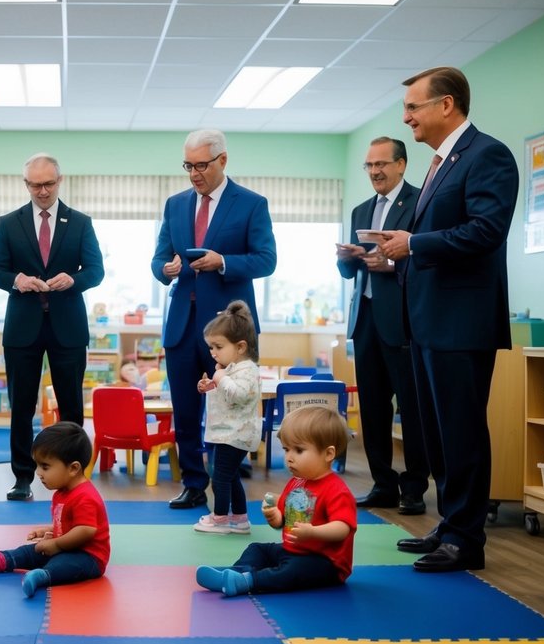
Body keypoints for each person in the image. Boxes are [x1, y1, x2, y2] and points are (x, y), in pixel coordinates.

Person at [378, 66, 519, 573]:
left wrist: (413, 243)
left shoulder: (487, 155)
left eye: (413, 107)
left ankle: (466, 539)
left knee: (460, 431)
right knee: (436, 433)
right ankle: (449, 524)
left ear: (447, 105)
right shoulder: (440, 162)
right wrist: (402, 252)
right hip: (427, 320)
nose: (406, 116)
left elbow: (485, 230)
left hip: (461, 322)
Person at [152, 129, 277, 509]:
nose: (193, 173)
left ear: (223, 160)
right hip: (182, 323)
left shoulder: (252, 204)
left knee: (231, 407)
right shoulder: (175, 205)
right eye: (188, 165)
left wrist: (222, 261)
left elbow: (266, 259)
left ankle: (226, 483)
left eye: (201, 165)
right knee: (186, 412)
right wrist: (167, 268)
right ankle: (193, 483)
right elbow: (158, 259)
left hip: (228, 329)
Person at [0, 153, 104, 501]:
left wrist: (75, 279)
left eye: (48, 184)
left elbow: (95, 271)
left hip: (68, 327)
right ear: (26, 185)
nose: (42, 191)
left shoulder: (80, 222)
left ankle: (74, 477)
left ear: (60, 181)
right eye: (35, 185)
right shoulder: (9, 223)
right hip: (22, 328)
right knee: (21, 406)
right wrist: (17, 279)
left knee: (70, 407)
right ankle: (22, 477)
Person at [336, 137, 430, 516]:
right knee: (372, 408)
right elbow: (349, 273)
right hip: (367, 320)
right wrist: (349, 259)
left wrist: (391, 266)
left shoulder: (420, 204)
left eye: (382, 165)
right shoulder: (360, 211)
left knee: (411, 409)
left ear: (402, 165)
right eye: (369, 166)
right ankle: (382, 483)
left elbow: (426, 260)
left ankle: (414, 488)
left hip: (405, 321)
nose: (375, 172)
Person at [195, 405, 357, 596]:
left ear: (328, 454)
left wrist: (313, 532)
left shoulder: (336, 490)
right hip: (293, 550)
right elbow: (283, 521)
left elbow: (343, 528)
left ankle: (247, 581)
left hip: (324, 562)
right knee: (257, 549)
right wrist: (276, 518)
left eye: (298, 450)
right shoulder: (297, 483)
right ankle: (235, 573)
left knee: (291, 571)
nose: (289, 458)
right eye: (287, 450)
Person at [0, 422, 110, 598]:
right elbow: (69, 523)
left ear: (73, 468)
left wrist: (56, 544)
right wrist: (49, 530)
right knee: (33, 550)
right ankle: (5, 559)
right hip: (66, 546)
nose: (38, 473)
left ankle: (42, 576)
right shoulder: (62, 492)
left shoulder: (85, 496)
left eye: (45, 467)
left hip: (88, 557)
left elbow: (86, 530)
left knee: (64, 563)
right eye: (37, 466)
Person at [193, 301, 261, 535]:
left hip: (235, 434)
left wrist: (220, 377)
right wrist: (210, 385)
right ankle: (240, 519)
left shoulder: (248, 370)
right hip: (228, 432)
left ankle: (220, 518)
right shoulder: (232, 369)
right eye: (211, 347)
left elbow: (239, 395)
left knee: (219, 478)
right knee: (230, 477)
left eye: (218, 346)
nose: (213, 353)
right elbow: (226, 394)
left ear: (240, 346)